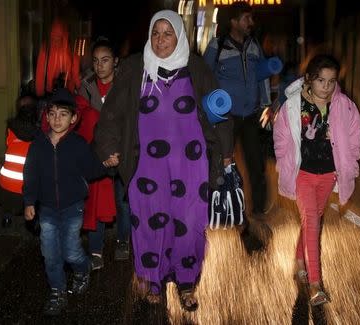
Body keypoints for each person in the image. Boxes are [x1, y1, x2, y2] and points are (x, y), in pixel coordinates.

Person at [93, 10, 233, 311]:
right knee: (149, 220)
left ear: (179, 36)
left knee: (189, 222)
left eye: (167, 33)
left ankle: (186, 281)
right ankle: (153, 279)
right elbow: (112, 114)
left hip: (191, 164)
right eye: (155, 33)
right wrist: (108, 147)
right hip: (147, 164)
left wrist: (226, 152)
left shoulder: (196, 68)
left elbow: (218, 114)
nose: (160, 39)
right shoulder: (134, 68)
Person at [273, 54, 360, 306]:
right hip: (303, 174)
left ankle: (300, 259)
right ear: (310, 79)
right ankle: (315, 284)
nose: (326, 86)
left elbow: (356, 134)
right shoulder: (293, 105)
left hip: (328, 174)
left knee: (313, 218)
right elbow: (280, 137)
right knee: (312, 221)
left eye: (331, 81)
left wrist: (351, 161)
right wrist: (284, 161)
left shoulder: (343, 105)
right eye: (321, 80)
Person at [23, 88, 119, 316]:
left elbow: (91, 168)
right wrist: (29, 201)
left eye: (63, 114)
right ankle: (57, 291)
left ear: (73, 118)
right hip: (46, 209)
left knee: (70, 251)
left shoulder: (78, 144)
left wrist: (108, 164)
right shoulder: (38, 145)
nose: (57, 118)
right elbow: (31, 175)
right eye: (53, 113)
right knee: (50, 253)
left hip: (72, 208)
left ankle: (82, 268)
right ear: (46, 116)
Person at [203, 1, 272, 217]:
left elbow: (262, 77)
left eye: (251, 18)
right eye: (246, 18)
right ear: (233, 21)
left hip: (251, 114)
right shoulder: (217, 46)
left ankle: (258, 209)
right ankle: (213, 207)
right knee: (220, 162)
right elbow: (204, 79)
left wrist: (266, 104)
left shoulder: (254, 45)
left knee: (256, 163)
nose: (251, 22)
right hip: (226, 117)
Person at [78, 37, 131, 268]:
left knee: (122, 200)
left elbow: (132, 120)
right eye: (96, 61)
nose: (100, 66)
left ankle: (123, 240)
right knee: (95, 199)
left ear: (115, 61)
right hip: (95, 153)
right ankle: (96, 250)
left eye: (105, 60)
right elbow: (79, 117)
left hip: (121, 151)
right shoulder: (86, 85)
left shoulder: (125, 84)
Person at [0, 94, 39, 228]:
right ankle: (32, 219)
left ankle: (7, 218)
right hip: (26, 193)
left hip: (5, 189)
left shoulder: (10, 129)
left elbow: (9, 146)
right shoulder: (39, 134)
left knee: (4, 174)